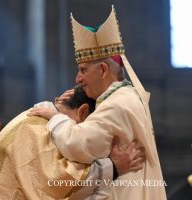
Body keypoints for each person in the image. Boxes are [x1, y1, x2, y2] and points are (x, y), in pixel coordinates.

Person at [29, 5, 167, 199]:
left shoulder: (117, 104)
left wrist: (55, 116)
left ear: (103, 70)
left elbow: (76, 143)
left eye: (83, 70)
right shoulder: (127, 97)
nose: (78, 78)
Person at [0, 86, 145, 200]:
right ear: (83, 112)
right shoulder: (34, 127)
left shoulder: (41, 123)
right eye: (91, 127)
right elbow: (54, 184)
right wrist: (113, 166)